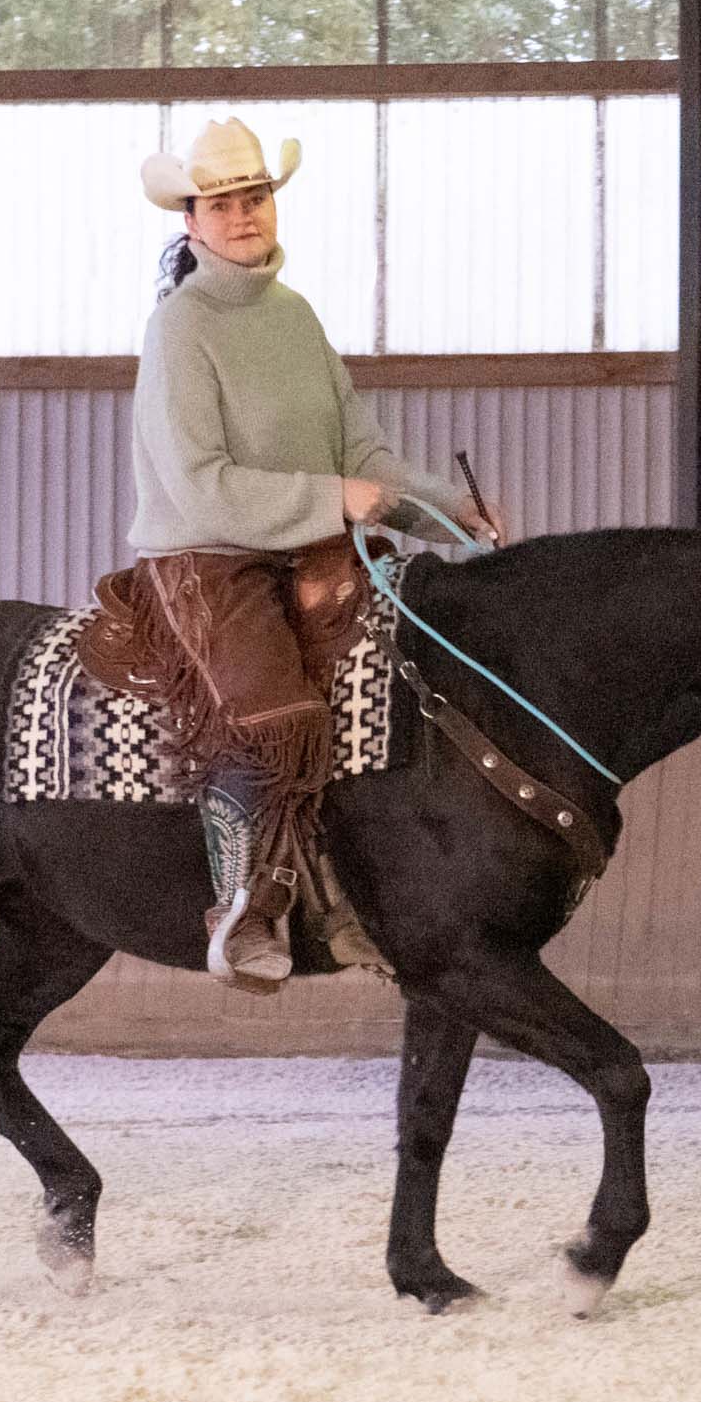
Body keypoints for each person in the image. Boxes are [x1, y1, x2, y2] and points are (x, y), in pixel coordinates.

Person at [106, 118, 505, 990]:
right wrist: (332, 498)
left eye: (255, 198)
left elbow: (364, 457)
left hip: (309, 546)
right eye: (224, 203)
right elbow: (202, 481)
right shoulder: (181, 328)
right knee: (275, 714)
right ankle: (245, 908)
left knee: (395, 680)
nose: (244, 215)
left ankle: (359, 895)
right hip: (208, 555)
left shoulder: (296, 319)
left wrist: (451, 514)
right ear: (192, 222)